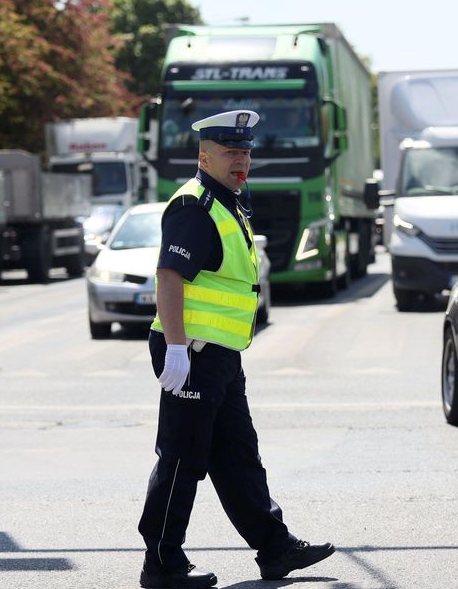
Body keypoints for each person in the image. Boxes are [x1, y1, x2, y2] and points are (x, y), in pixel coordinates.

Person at [138, 109, 335, 589]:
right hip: (193, 352)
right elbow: (169, 277)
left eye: (246, 152)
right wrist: (179, 350)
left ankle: (275, 547)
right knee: (184, 458)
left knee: (238, 454)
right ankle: (161, 564)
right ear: (204, 156)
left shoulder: (227, 202)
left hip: (220, 354)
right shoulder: (195, 206)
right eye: (231, 152)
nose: (241, 161)